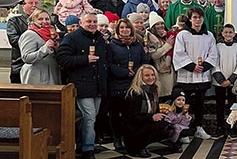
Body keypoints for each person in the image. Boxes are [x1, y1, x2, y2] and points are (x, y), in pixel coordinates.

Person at [57, 13, 108, 159]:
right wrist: (84, 59)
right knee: (90, 116)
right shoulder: (72, 38)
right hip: (82, 85)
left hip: (98, 85)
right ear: (81, 22)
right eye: (89, 21)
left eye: (94, 21)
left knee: (92, 117)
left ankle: (82, 143)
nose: (92, 24)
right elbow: (62, 58)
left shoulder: (99, 38)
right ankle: (88, 149)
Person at [172, 7, 218, 140]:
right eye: (195, 17)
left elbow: (213, 54)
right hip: (187, 75)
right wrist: (192, 67)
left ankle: (198, 127)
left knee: (200, 104)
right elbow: (179, 53)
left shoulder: (209, 35)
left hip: (202, 75)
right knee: (183, 104)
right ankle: (181, 130)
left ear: (203, 19)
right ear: (190, 19)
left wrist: (204, 66)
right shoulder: (182, 34)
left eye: (200, 17)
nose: (197, 20)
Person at [106, 18, 147, 151]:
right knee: (115, 113)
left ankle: (128, 137)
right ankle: (116, 138)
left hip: (133, 84)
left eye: (127, 28)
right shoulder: (111, 45)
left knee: (130, 114)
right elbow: (109, 64)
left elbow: (143, 61)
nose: (125, 30)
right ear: (118, 30)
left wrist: (136, 72)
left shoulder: (137, 45)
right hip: (117, 84)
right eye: (122, 28)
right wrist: (123, 72)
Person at [122, 64, 171, 158]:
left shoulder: (153, 90)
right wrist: (151, 117)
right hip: (133, 128)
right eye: (147, 75)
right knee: (158, 126)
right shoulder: (135, 93)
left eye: (152, 75)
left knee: (166, 123)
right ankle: (136, 147)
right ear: (140, 77)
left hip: (145, 122)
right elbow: (131, 118)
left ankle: (143, 144)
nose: (151, 78)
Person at [212, 24, 237, 138]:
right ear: (222, 33)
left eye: (230, 32)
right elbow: (214, 62)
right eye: (226, 32)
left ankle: (232, 128)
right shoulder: (218, 46)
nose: (228, 34)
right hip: (219, 81)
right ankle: (219, 127)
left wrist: (231, 80)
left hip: (233, 82)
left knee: (233, 105)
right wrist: (221, 80)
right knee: (219, 105)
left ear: (234, 34)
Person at [18, 8, 60, 84]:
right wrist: (45, 48)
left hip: (52, 73)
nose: (44, 21)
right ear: (33, 21)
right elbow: (26, 57)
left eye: (47, 19)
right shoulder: (29, 34)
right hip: (37, 76)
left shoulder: (52, 34)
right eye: (40, 19)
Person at [7, 0, 39, 83]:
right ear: (23, 5)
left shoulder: (45, 21)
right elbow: (14, 40)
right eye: (30, 3)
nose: (34, 5)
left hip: (41, 66)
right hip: (20, 64)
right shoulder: (15, 21)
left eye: (36, 3)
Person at [147, 12, 176, 102]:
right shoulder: (151, 38)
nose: (160, 26)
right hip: (160, 70)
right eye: (157, 24)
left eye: (161, 23)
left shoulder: (166, 35)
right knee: (162, 97)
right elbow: (153, 55)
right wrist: (167, 46)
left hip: (170, 70)